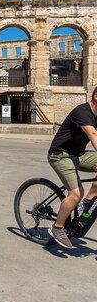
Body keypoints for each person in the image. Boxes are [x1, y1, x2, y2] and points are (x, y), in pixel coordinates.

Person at [48, 86, 97, 248]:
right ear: (96, 96)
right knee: (76, 193)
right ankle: (58, 227)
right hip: (60, 155)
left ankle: (86, 204)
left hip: (78, 154)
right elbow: (93, 135)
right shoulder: (82, 112)